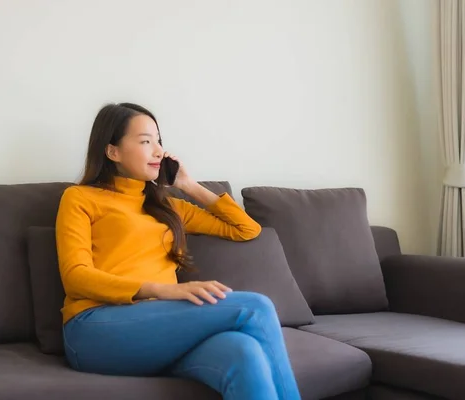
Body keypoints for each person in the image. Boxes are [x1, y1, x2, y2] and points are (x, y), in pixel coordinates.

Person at [55, 102, 301, 400]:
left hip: (161, 330)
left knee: (244, 351)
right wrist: (161, 290)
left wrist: (188, 184)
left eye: (159, 141)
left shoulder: (168, 207)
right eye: (146, 141)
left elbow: (246, 229)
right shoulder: (80, 198)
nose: (158, 150)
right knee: (255, 307)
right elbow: (76, 277)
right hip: (95, 328)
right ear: (113, 152)